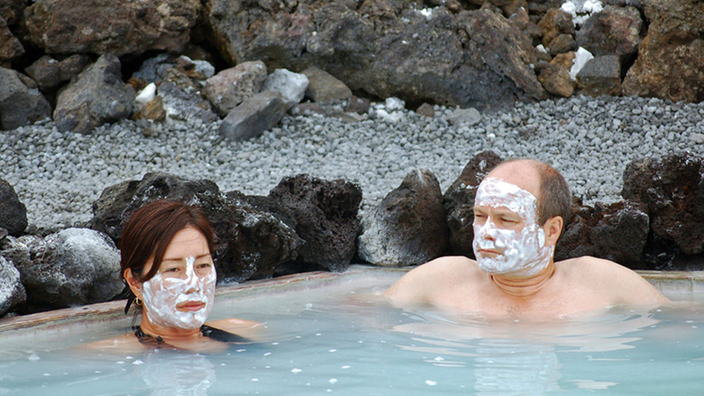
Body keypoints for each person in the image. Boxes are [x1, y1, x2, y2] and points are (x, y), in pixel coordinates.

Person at [384, 159, 670, 319]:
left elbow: (677, 325)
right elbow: (360, 317)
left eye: (506, 219)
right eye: (480, 216)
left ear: (552, 230)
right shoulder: (440, 278)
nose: (487, 231)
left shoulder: (602, 282)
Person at [91, 199, 261, 353]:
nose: (193, 284)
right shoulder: (105, 355)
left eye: (202, 265)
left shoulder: (245, 329)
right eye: (173, 269)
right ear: (135, 283)